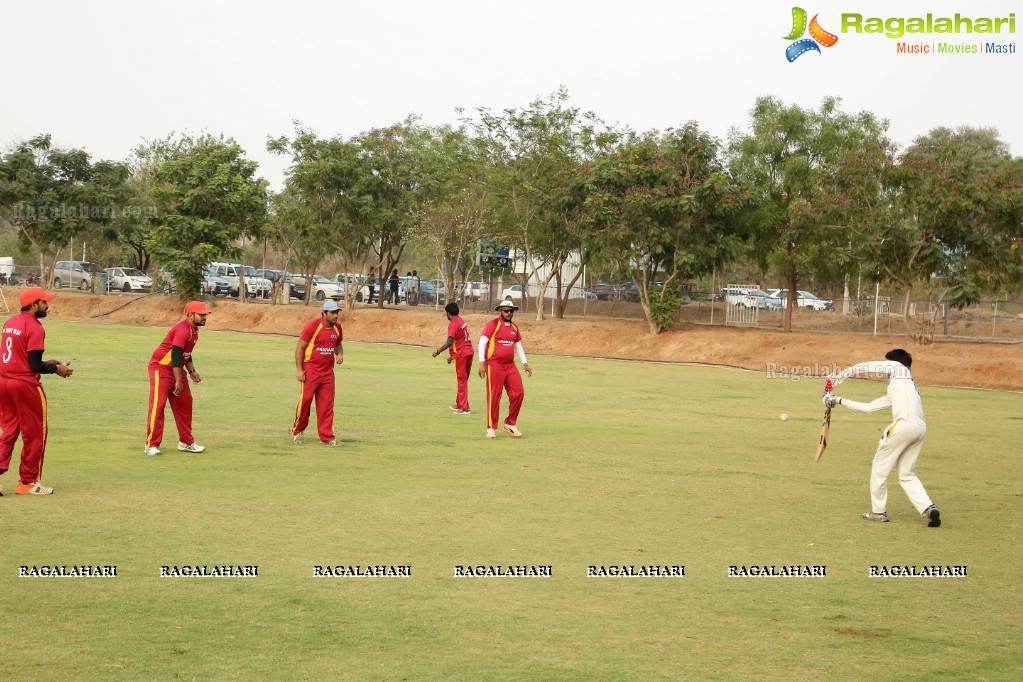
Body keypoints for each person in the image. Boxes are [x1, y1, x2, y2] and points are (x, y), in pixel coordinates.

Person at [824, 349, 940, 527]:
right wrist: (838, 400)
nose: (886, 372)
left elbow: (862, 366)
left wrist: (836, 379)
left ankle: (878, 512)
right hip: (920, 429)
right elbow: (869, 407)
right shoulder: (904, 386)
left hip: (903, 426)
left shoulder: (897, 367)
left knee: (879, 469)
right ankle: (929, 508)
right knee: (906, 474)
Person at [0, 287, 74, 496]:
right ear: (34, 305)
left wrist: (46, 362)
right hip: (24, 385)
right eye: (44, 302)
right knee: (35, 433)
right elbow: (34, 366)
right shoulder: (35, 327)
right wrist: (56, 369)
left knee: (9, 431)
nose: (47, 305)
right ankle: (28, 482)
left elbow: (20, 356)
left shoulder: (10, 322)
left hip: (4, 382)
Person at [145, 300, 210, 455]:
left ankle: (186, 442)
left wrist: (192, 371)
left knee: (185, 402)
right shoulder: (183, 330)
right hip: (160, 368)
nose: (204, 317)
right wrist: (179, 380)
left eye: (205, 314)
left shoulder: (194, 330)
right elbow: (175, 354)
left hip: (175, 369)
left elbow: (185, 353)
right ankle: (151, 445)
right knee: (158, 406)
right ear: (190, 315)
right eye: (200, 315)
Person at [477, 301, 532, 439]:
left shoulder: (514, 327)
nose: (509, 313)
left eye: (511, 311)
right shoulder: (493, 325)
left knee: (519, 393)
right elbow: (482, 343)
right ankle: (491, 428)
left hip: (510, 365)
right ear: (500, 311)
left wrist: (525, 363)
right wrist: (481, 362)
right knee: (494, 396)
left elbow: (518, 346)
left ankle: (510, 424)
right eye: (506, 311)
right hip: (494, 364)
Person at [293, 300, 344, 446]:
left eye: (337, 312)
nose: (336, 316)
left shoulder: (338, 329)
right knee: (306, 401)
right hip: (311, 371)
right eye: (333, 313)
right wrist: (299, 370)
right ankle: (298, 431)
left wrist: (339, 354)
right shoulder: (312, 326)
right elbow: (300, 348)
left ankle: (327, 437)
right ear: (324, 313)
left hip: (328, 374)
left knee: (327, 405)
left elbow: (338, 345)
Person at [432, 302, 473, 414]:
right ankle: (460, 403)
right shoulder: (461, 320)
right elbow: (460, 340)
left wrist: (437, 351)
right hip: (469, 352)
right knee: (463, 380)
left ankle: (464, 407)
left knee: (461, 380)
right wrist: (452, 356)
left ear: (448, 313)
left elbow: (449, 342)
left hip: (462, 354)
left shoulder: (453, 323)